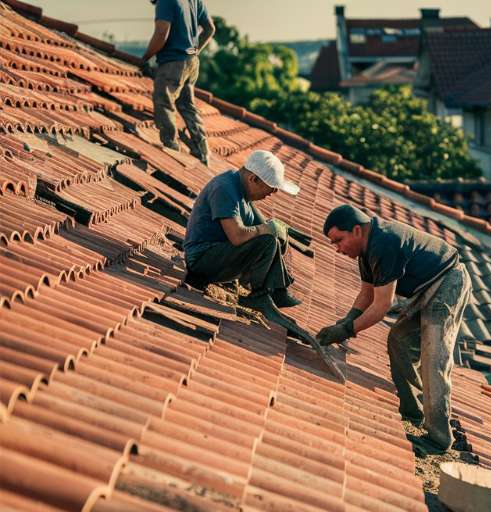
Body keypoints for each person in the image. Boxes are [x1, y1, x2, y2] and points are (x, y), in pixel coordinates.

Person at [317, 205, 472, 452]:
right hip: (425, 290)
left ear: (357, 230)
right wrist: (346, 321)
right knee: (398, 339)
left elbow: (382, 305)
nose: (337, 248)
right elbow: (366, 293)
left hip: (448, 282)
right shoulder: (366, 250)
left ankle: (439, 439)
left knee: (434, 358)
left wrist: (346, 331)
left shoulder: (384, 242)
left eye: (339, 240)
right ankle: (413, 411)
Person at [184, 150, 301, 310]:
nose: (273, 193)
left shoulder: (241, 190)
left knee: (272, 238)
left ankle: (277, 291)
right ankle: (259, 295)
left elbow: (265, 228)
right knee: (266, 242)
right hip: (201, 261)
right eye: (271, 188)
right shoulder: (224, 189)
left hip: (218, 256)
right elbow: (237, 236)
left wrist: (278, 231)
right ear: (253, 179)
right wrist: (267, 229)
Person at [141, 0, 214, 164]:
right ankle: (201, 148)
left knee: (163, 101)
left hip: (173, 64)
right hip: (191, 62)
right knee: (187, 105)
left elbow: (161, 34)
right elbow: (210, 29)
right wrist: (194, 51)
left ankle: (171, 149)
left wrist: (145, 58)